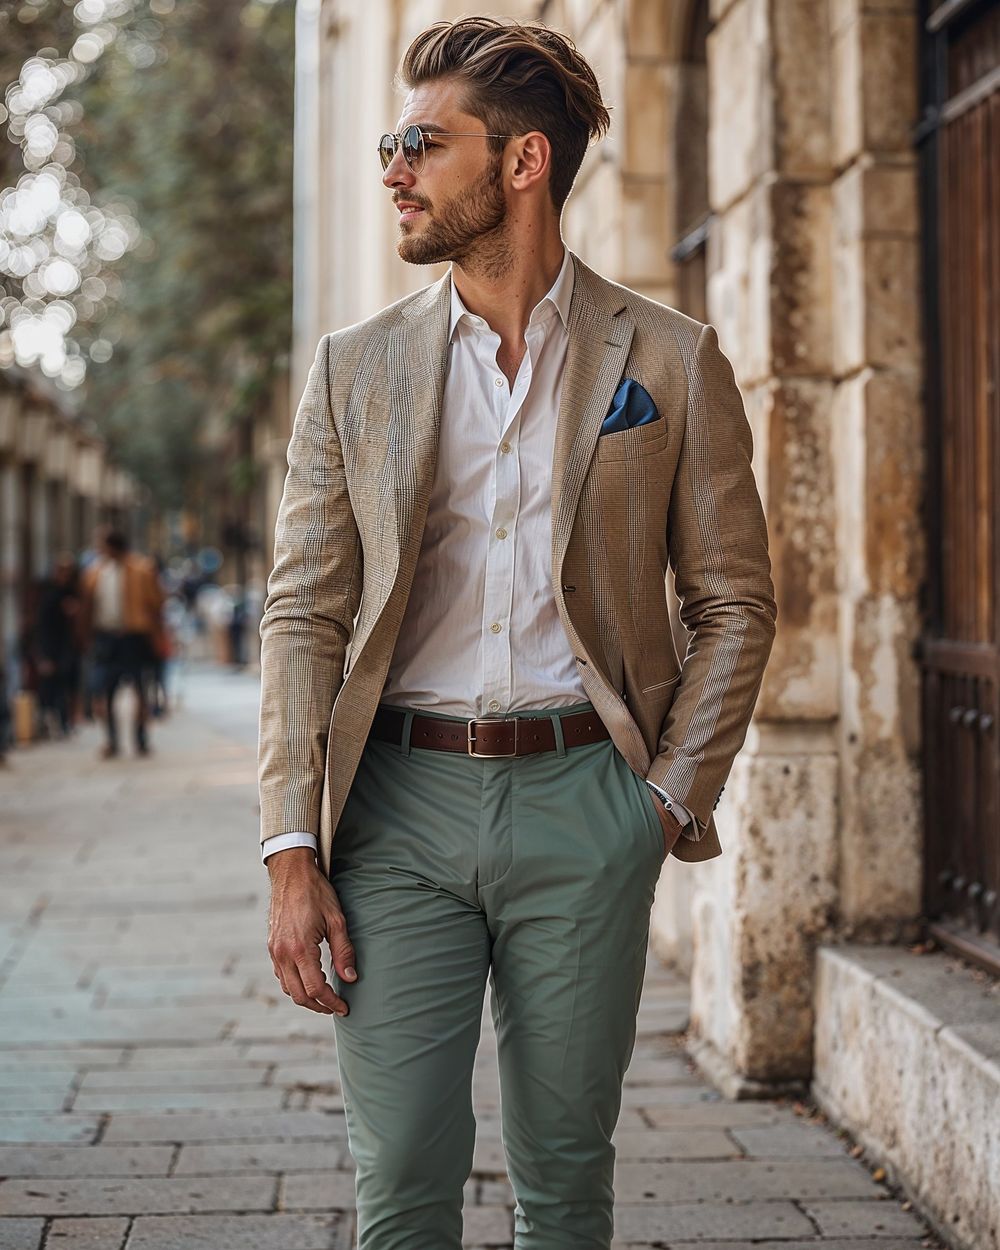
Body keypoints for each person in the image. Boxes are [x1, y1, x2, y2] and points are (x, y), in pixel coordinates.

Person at [258, 16, 777, 1249]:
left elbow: (734, 601)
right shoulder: (354, 369)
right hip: (395, 814)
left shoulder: (669, 357)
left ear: (523, 162)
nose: (395, 166)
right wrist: (290, 843)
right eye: (392, 142)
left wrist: (657, 802)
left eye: (423, 144)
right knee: (400, 1179)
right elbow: (305, 609)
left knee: (563, 1179)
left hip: (582, 805)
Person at [80, 526, 164, 759]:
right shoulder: (95, 572)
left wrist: (157, 635)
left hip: (134, 637)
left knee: (140, 689)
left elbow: (157, 604)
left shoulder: (142, 569)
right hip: (105, 637)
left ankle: (141, 739)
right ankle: (112, 740)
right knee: (104, 691)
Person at [34, 553, 83, 739]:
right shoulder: (49, 594)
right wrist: (44, 654)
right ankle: (50, 724)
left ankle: (65, 722)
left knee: (67, 686)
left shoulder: (73, 593)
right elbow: (43, 626)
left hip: (69, 647)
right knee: (51, 688)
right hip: (52, 647)